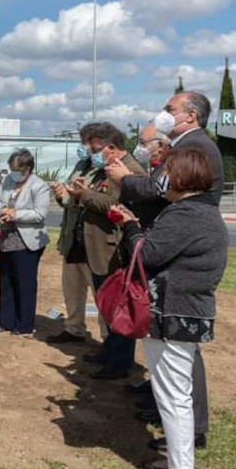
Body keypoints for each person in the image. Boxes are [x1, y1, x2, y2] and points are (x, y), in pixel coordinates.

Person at [106, 91, 222, 449]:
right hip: (169, 243)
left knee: (184, 345)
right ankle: (166, 407)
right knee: (172, 345)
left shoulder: (197, 146)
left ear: (189, 115)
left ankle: (193, 428)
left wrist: (125, 178)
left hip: (178, 251)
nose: (162, 115)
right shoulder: (187, 142)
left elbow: (159, 187)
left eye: (169, 110)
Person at [111, 148, 228, 469]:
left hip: (175, 313)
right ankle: (179, 460)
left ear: (180, 178)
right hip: (182, 313)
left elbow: (145, 254)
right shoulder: (196, 211)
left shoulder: (186, 214)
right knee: (174, 392)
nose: (158, 179)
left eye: (164, 172)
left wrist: (131, 226)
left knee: (173, 394)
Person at [64, 123, 147, 378]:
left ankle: (119, 363)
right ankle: (109, 351)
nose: (91, 153)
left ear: (111, 147)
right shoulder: (105, 168)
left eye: (95, 148)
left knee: (118, 307)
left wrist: (83, 195)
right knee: (107, 306)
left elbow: (113, 204)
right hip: (97, 248)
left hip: (114, 250)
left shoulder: (129, 171)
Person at [0, 149, 50, 337]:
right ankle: (6, 320)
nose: (14, 172)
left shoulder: (39, 186)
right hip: (7, 238)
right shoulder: (8, 181)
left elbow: (40, 214)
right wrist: (4, 209)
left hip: (27, 240)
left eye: (18, 169)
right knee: (6, 279)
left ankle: (24, 323)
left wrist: (15, 214)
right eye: (11, 168)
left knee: (24, 282)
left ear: (28, 168)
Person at [47, 127, 96, 344]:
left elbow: (95, 201)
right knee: (72, 289)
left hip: (94, 242)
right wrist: (61, 195)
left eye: (87, 142)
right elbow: (71, 198)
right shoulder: (80, 166)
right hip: (72, 238)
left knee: (100, 294)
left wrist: (75, 196)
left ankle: (107, 338)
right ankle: (74, 328)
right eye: (82, 142)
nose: (83, 147)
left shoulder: (108, 170)